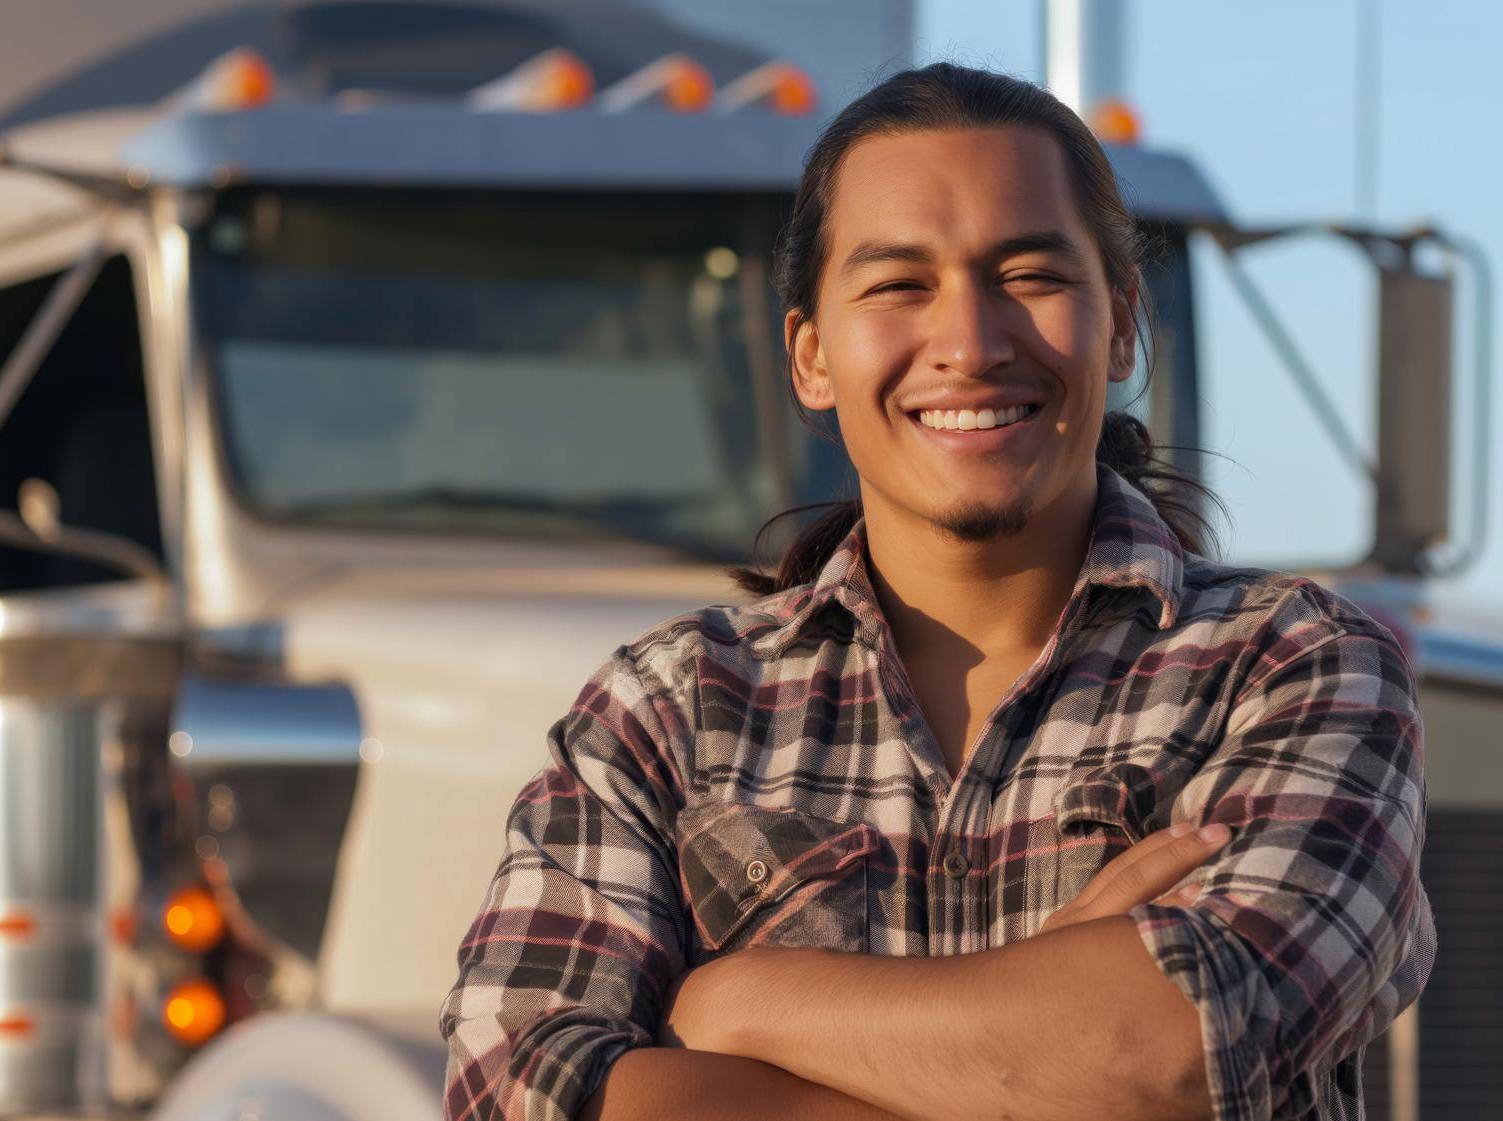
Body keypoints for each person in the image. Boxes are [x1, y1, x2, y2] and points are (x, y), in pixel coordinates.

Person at [440, 62, 1434, 1121]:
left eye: (1028, 275)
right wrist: (1037, 1041)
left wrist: (743, 1000)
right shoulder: (665, 714)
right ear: (810, 357)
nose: (966, 342)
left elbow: (1172, 1045)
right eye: (897, 283)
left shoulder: (1289, 667)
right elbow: (521, 1090)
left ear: (1122, 323)